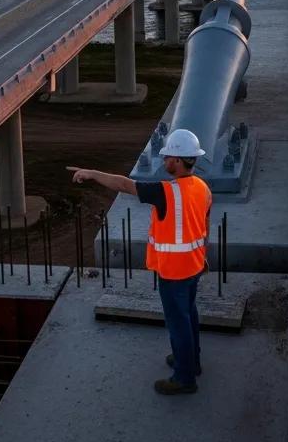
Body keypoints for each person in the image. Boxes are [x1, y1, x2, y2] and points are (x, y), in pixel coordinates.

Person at [68, 127, 211, 395]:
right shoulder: (203, 188)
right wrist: (204, 259)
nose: (164, 161)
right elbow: (204, 226)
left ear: (178, 161)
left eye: (168, 157)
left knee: (178, 324)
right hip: (193, 265)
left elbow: (124, 184)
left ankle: (184, 378)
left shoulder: (166, 192)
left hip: (174, 270)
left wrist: (91, 173)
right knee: (189, 314)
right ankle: (192, 362)